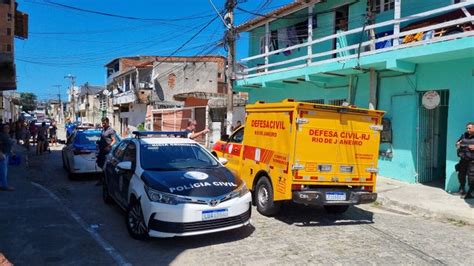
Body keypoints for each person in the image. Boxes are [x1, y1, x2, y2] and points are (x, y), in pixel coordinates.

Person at [455, 122, 474, 199]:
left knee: (471, 177)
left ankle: (471, 192)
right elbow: (457, 143)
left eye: (469, 128)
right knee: (461, 174)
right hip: (463, 159)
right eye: (467, 128)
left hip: (472, 160)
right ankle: (462, 189)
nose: (468, 129)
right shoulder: (464, 135)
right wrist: (457, 144)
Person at [96, 117, 117, 185]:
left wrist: (109, 146)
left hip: (107, 151)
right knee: (99, 163)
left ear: (108, 122)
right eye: (102, 123)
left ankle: (105, 181)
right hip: (102, 150)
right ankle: (103, 179)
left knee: (105, 166)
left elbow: (114, 140)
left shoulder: (111, 130)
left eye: (104, 123)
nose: (103, 124)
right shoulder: (103, 129)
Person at [0, 124, 15, 191]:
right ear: (2, 128)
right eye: (6, 127)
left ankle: (1, 185)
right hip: (3, 154)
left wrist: (12, 153)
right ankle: (4, 186)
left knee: (3, 170)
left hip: (6, 153)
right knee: (3, 171)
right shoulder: (1, 135)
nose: (7, 129)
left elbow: (8, 145)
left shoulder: (7, 135)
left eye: (8, 127)